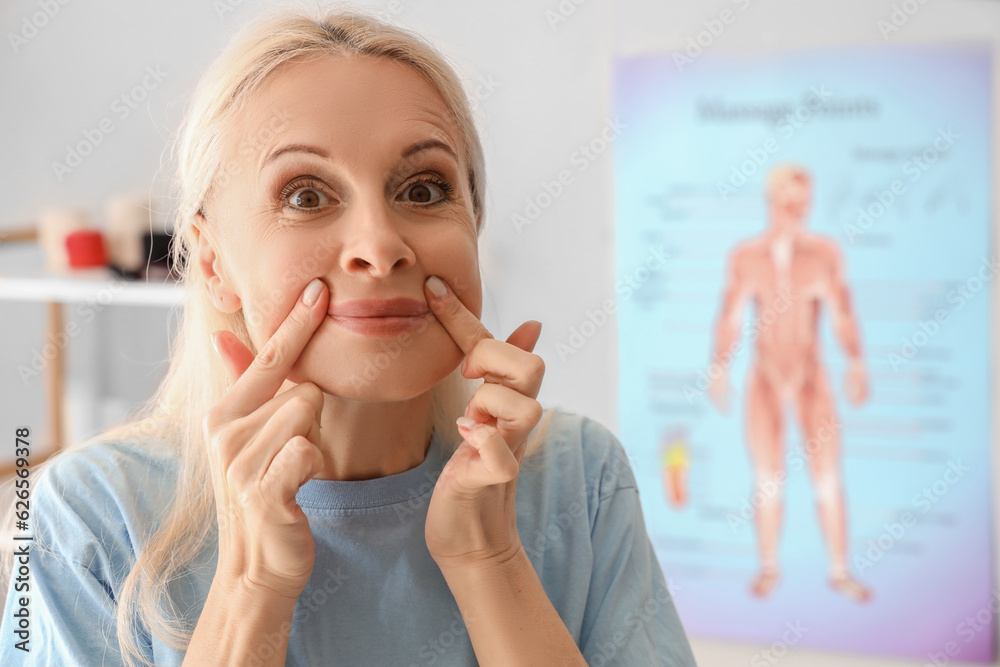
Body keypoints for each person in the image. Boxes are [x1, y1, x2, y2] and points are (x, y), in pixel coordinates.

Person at [0, 7, 696, 666]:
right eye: (306, 195)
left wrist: (489, 559)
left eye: (423, 189)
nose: (380, 244)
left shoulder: (582, 477)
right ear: (213, 264)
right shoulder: (80, 519)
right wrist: (252, 580)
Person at [709, 164, 871, 602]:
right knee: (767, 477)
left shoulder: (822, 254)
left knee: (827, 476)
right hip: (765, 375)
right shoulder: (748, 256)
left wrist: (856, 361)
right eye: (789, 197)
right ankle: (768, 567)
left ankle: (839, 570)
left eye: (804, 198)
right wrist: (719, 366)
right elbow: (731, 316)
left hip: (809, 373)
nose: (798, 206)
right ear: (773, 199)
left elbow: (841, 313)